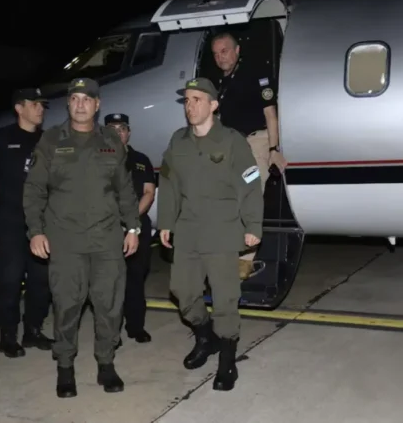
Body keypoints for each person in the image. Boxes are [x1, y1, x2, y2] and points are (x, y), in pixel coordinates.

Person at [22, 78, 140, 398]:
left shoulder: (111, 141)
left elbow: (124, 189)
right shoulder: (50, 140)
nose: (80, 105)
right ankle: (65, 366)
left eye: (87, 99)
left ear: (97, 104)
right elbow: (34, 190)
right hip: (65, 240)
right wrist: (36, 231)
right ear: (68, 103)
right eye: (74, 99)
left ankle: (106, 363)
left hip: (107, 239)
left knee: (109, 305)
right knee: (67, 305)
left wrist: (133, 227)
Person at [157, 77, 264, 392]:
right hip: (188, 231)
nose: (190, 106)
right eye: (187, 100)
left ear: (213, 105)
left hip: (222, 231)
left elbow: (251, 184)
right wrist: (166, 222)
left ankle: (227, 361)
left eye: (197, 99)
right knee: (182, 292)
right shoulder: (178, 142)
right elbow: (168, 184)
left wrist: (253, 226)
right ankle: (207, 337)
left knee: (225, 299)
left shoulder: (232, 141)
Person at [0, 87, 53, 359]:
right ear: (19, 108)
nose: (41, 109)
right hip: (11, 222)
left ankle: (33, 331)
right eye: (35, 104)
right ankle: (8, 336)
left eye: (42, 105)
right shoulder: (0, 138)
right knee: (9, 280)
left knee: (41, 282)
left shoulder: (49, 141)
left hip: (42, 224)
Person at [210, 31, 285, 277]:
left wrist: (273, 150)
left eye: (224, 51)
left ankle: (244, 262)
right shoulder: (221, 83)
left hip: (256, 144)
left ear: (237, 50)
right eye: (216, 54)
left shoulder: (256, 75)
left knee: (251, 200)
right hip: (233, 148)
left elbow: (270, 114)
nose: (220, 57)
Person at [104, 112, 156, 344]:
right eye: (112, 129)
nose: (118, 133)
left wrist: (131, 219)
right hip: (107, 227)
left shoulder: (141, 160)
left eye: (122, 129)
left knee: (135, 278)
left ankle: (136, 327)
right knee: (109, 282)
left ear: (129, 133)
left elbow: (149, 192)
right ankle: (110, 331)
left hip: (137, 226)